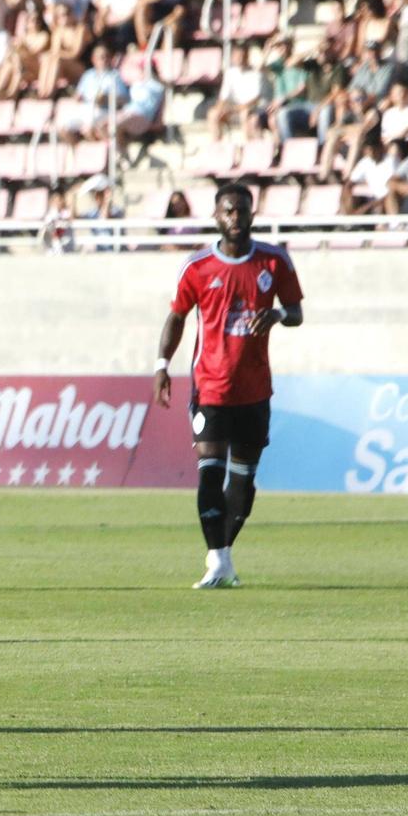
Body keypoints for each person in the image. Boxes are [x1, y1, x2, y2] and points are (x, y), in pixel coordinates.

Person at [153, 183, 304, 590]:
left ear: (252, 214)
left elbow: (295, 313)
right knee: (208, 474)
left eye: (242, 210)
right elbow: (177, 316)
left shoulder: (275, 262)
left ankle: (224, 554)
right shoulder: (198, 267)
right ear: (216, 216)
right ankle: (218, 560)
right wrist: (162, 365)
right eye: (228, 211)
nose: (235, 217)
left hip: (254, 390)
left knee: (242, 485)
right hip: (211, 389)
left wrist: (274, 317)